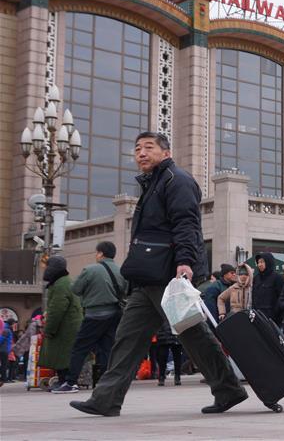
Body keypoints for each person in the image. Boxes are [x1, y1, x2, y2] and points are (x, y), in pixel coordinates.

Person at [70, 131, 246, 417]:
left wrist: (186, 261)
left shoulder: (177, 181)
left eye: (148, 147)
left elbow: (187, 224)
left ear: (165, 152)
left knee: (193, 334)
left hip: (168, 276)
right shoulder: (153, 184)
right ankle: (106, 399)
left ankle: (228, 389)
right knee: (128, 337)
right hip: (148, 277)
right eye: (137, 148)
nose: (141, 153)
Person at [51, 241, 127, 394]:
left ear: (100, 253)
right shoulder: (121, 271)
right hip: (115, 314)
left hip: (94, 315)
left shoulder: (90, 270)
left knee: (80, 348)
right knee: (107, 349)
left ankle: (71, 382)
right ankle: (106, 383)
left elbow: (76, 289)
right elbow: (126, 291)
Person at [39, 256, 83, 389]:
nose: (45, 269)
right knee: (66, 355)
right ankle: (64, 380)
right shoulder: (66, 281)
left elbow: (57, 310)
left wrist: (49, 330)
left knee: (61, 355)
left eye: (47, 266)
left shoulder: (60, 285)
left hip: (64, 328)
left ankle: (65, 381)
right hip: (70, 326)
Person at [252, 252, 283, 325]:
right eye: (258, 262)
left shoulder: (277, 278)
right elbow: (254, 297)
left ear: (268, 262)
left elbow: (281, 298)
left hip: (272, 319)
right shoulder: (256, 278)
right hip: (258, 317)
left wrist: (276, 314)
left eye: (262, 262)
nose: (259, 264)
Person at [154, 320, 182, 386]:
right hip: (165, 331)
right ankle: (162, 377)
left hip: (173, 330)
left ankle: (176, 377)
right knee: (162, 357)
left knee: (176, 356)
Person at [0, 319, 12, 384]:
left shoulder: (5, 329)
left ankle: (3, 378)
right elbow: (1, 339)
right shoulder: (6, 330)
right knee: (4, 365)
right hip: (3, 350)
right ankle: (3, 378)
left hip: (4, 349)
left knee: (4, 364)